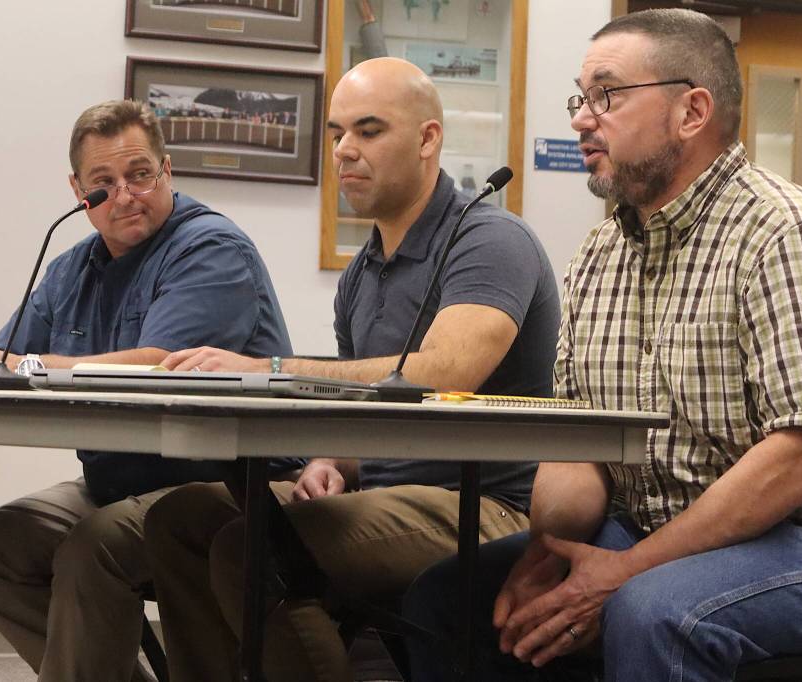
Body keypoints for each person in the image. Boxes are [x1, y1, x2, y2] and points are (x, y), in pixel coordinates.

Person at [402, 9, 802, 681]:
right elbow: (581, 446)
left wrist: (621, 572)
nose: (580, 119)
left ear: (691, 111)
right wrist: (547, 555)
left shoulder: (791, 236)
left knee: (653, 611)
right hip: (666, 529)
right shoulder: (600, 256)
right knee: (450, 600)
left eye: (606, 94)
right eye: (580, 96)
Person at [142, 56, 560, 682]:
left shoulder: (490, 240)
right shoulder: (362, 272)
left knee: (245, 548)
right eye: (337, 133)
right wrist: (332, 459)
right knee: (179, 521)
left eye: (369, 131)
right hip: (388, 494)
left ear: (427, 140)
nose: (345, 150)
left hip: (484, 503)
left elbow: (445, 374)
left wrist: (270, 367)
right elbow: (371, 409)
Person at [0, 99, 293, 682]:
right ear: (78, 192)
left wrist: (9, 361)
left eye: (139, 174)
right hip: (118, 483)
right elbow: (5, 361)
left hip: (229, 487)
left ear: (166, 171)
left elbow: (156, 365)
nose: (124, 195)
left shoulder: (211, 249)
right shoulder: (73, 266)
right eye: (103, 183)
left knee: (92, 548)